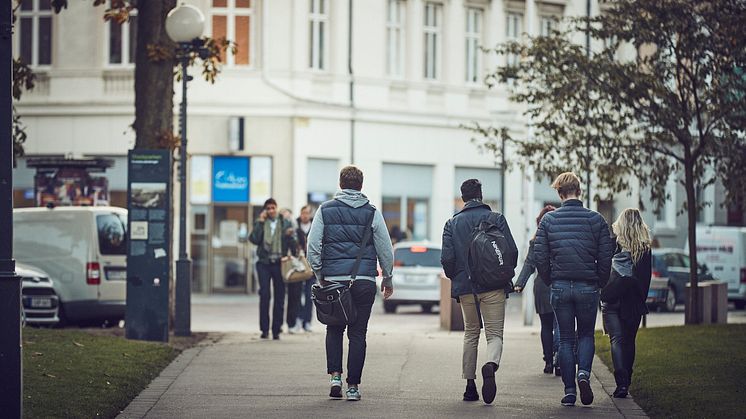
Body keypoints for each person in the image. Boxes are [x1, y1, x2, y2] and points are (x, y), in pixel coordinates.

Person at [307, 165, 394, 402]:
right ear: (361, 185)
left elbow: (313, 246)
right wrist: (387, 277)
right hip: (364, 280)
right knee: (358, 334)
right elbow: (385, 248)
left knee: (334, 328)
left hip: (333, 281)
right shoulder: (372, 212)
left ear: (340, 184)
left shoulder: (325, 210)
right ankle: (353, 387)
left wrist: (319, 275)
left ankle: (335, 377)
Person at [534, 172, 614, 407]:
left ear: (559, 193)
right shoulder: (596, 219)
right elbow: (605, 256)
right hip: (588, 286)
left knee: (566, 339)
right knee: (587, 334)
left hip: (560, 285)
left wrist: (551, 280)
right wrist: (599, 281)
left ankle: (569, 391)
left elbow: (540, 256)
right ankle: (584, 375)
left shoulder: (548, 221)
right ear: (579, 191)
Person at [441, 178, 518, 405]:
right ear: (481, 195)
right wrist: (504, 275)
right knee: (494, 334)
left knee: (471, 333)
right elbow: (511, 251)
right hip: (493, 286)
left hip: (467, 288)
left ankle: (469, 386)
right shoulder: (496, 219)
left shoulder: (451, 224)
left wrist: (457, 277)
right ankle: (491, 364)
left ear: (463, 197)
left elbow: (447, 259)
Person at [601, 208, 652, 398]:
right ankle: (625, 381)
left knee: (618, 340)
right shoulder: (644, 250)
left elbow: (603, 271)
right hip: (631, 302)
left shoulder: (611, 245)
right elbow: (643, 281)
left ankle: (622, 382)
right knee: (627, 340)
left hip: (613, 298)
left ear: (622, 224)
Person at [514, 205, 560, 375]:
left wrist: (519, 283)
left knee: (546, 326)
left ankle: (548, 361)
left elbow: (529, 264)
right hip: (559, 285)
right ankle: (559, 358)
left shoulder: (535, 242)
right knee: (560, 324)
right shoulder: (560, 240)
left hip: (541, 287)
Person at [249, 198, 298, 340]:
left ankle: (276, 330)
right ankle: (264, 329)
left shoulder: (285, 222)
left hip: (279, 263)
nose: (271, 210)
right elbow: (254, 239)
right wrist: (260, 222)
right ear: (265, 210)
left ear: (276, 208)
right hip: (264, 263)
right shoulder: (261, 222)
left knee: (280, 296)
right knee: (264, 294)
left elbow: (292, 242)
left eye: (273, 208)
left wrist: (291, 237)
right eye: (268, 208)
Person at [287, 205, 314, 333]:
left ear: (310, 215)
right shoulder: (295, 226)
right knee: (296, 295)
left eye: (307, 213)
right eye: (303, 213)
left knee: (310, 295)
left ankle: (307, 321)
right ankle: (298, 318)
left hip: (311, 265)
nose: (304, 215)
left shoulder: (315, 226)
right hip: (298, 264)